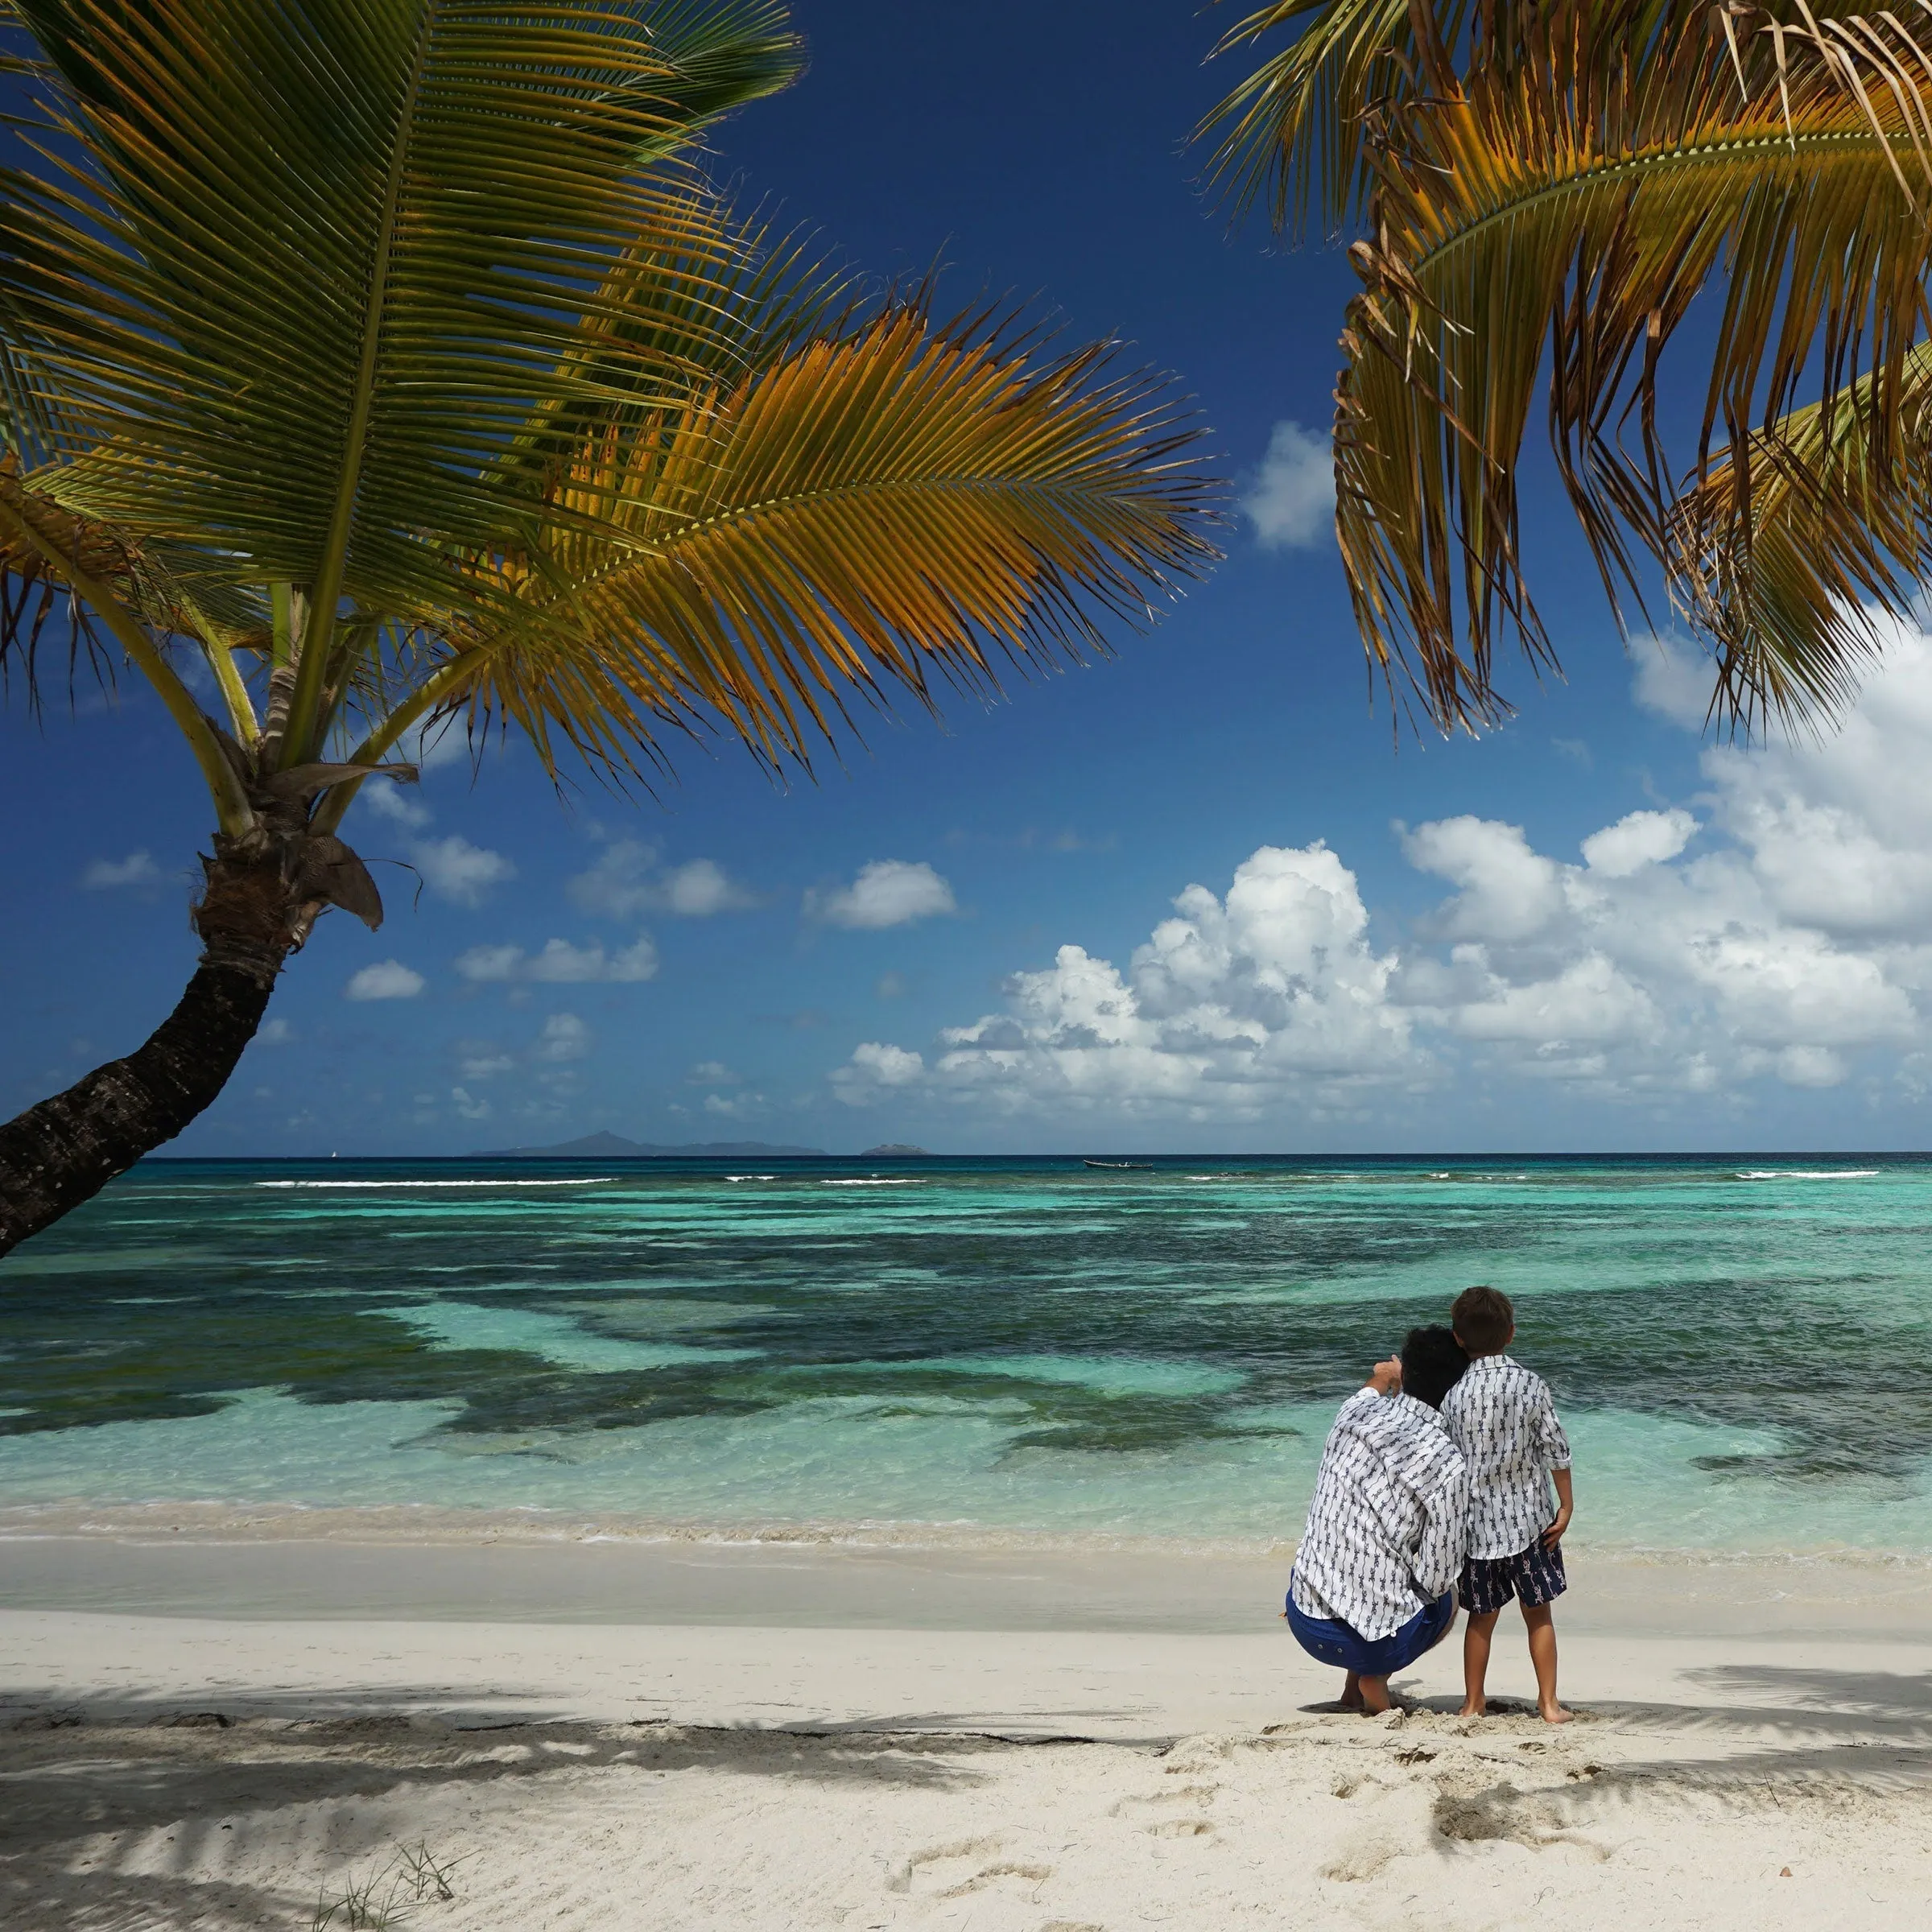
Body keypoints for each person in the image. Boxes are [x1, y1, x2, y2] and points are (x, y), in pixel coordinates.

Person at [1285, 1326, 1472, 1715]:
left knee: (1356, 1555)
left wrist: (1386, 1375)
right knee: (1448, 1599)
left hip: (1304, 1617)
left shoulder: (1355, 1411)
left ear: (1405, 1374)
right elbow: (1437, 1576)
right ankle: (1376, 1681)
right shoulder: (1447, 1461)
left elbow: (1373, 1385)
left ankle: (1351, 1691)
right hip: (1367, 1643)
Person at [1439, 1284, 1575, 1724]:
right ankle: (1549, 1703)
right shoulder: (1530, 1385)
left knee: (1481, 1618)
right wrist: (1566, 1507)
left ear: (1458, 1339)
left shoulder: (1454, 1397)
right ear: (1512, 1333)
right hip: (1532, 1524)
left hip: (1478, 1531)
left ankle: (1473, 1702)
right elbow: (1556, 1449)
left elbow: (1447, 1463)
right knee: (1539, 1614)